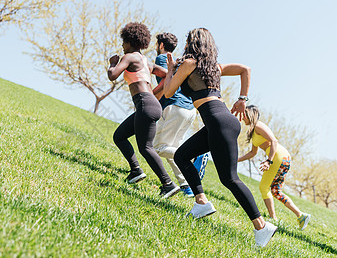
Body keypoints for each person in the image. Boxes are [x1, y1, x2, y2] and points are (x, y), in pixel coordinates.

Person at [163, 28, 277, 247]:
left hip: (218, 121)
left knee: (230, 178)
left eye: (188, 40)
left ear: (192, 42)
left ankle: (262, 227)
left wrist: (170, 71)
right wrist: (242, 98)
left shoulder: (190, 64)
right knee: (182, 156)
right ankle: (201, 202)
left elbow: (168, 92)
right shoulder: (214, 67)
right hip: (221, 121)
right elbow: (246, 69)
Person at [107, 22, 180, 199]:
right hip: (149, 105)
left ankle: (168, 184)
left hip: (145, 104)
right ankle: (135, 171)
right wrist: (157, 92)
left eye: (123, 42)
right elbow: (167, 74)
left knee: (146, 147)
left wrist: (112, 63)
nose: (122, 46)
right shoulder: (146, 62)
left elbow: (112, 75)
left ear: (130, 41)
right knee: (119, 136)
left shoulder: (130, 57)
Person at [152, 32, 209, 197]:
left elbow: (165, 82)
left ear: (161, 45)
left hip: (175, 108)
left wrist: (150, 94)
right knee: (173, 149)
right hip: (189, 110)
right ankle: (187, 186)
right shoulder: (180, 62)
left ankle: (195, 157)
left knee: (157, 147)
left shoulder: (162, 58)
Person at [238, 105, 311, 230]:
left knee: (263, 187)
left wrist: (269, 161)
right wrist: (236, 160)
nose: (242, 117)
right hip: (283, 157)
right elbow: (253, 153)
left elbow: (274, 141)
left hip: (278, 156)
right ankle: (301, 215)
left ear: (250, 114)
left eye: (244, 114)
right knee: (275, 191)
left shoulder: (259, 126)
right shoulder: (253, 130)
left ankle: (273, 218)